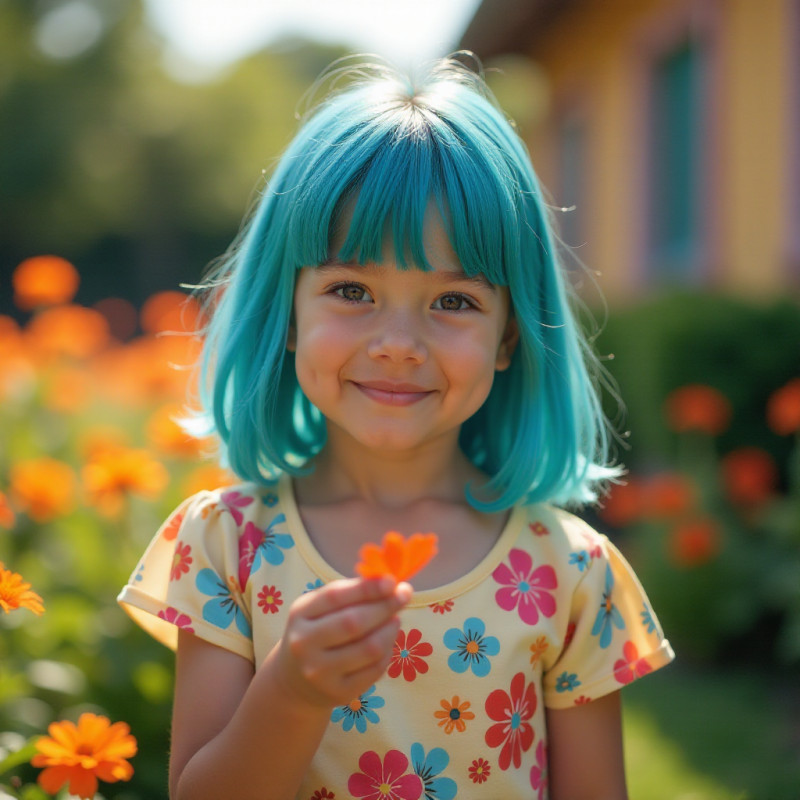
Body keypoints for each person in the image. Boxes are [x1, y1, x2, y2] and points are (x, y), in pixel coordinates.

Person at [118, 55, 674, 800]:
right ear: (287, 312)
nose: (397, 343)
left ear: (510, 337)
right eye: (352, 289)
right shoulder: (227, 547)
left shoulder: (572, 574)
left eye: (453, 302)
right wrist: (292, 693)